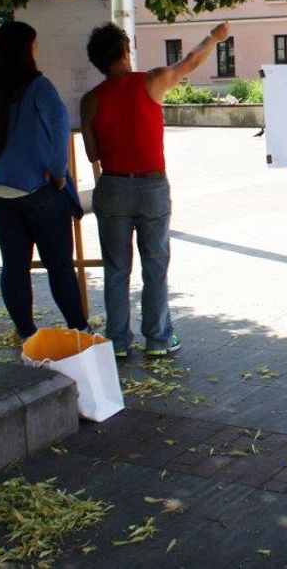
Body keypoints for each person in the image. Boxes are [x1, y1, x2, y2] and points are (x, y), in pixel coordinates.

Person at [80, 21, 230, 359]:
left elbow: (92, 154)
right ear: (124, 51)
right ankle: (158, 338)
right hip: (151, 186)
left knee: (116, 268)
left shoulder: (90, 100)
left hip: (112, 187)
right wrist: (214, 37)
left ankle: (117, 341)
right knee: (155, 265)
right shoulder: (151, 81)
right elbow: (189, 62)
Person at [0, 21, 89, 340]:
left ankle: (26, 334)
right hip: (35, 187)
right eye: (34, 45)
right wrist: (56, 168)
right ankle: (80, 329)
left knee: (14, 265)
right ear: (26, 49)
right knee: (59, 264)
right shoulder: (37, 85)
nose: (37, 51)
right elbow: (60, 120)